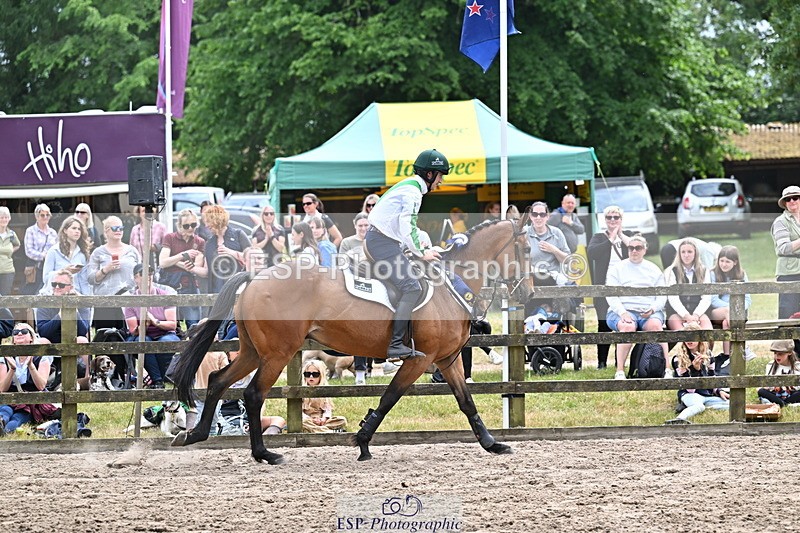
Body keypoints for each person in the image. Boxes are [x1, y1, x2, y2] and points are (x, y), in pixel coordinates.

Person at [366, 148, 447, 359]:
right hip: (383, 243)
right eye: (440, 176)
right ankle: (395, 344)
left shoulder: (409, 187)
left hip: (384, 240)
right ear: (429, 175)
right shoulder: (412, 193)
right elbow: (407, 225)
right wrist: (422, 253)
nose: (441, 182)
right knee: (412, 286)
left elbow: (407, 227)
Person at [605, 234, 668, 380]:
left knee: (656, 326)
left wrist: (653, 308)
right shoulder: (617, 268)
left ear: (645, 250)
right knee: (627, 327)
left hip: (649, 311)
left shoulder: (653, 269)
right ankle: (620, 370)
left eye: (638, 248)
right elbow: (611, 294)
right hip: (623, 311)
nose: (634, 251)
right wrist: (622, 313)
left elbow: (662, 294)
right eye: (631, 248)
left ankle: (667, 368)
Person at [587, 205, 633, 369]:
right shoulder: (599, 237)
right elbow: (592, 253)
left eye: (616, 217)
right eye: (609, 218)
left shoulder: (627, 239)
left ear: (621, 220)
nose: (612, 220)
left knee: (623, 323)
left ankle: (618, 362)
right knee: (603, 324)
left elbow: (637, 250)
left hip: (622, 290)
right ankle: (601, 362)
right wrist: (611, 237)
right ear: (605, 220)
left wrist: (620, 235)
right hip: (603, 288)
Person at [123, 263, 181, 389]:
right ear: (135, 278)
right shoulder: (131, 301)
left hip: (165, 333)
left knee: (166, 342)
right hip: (143, 334)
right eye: (142, 274)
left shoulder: (165, 295)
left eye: (150, 273)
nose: (147, 276)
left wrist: (156, 322)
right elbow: (133, 331)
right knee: (144, 342)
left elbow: (172, 324)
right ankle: (158, 379)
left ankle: (159, 377)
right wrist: (144, 324)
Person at [215, 340, 286, 436]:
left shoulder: (253, 375)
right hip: (226, 415)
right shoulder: (223, 376)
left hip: (248, 415)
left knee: (278, 420)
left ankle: (266, 439)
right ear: (228, 355)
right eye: (235, 349)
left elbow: (260, 401)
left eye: (242, 349)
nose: (238, 352)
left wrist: (255, 421)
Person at [664, 324, 729, 425]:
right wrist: (695, 369)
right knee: (699, 406)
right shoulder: (679, 359)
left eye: (693, 337)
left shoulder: (708, 355)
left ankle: (705, 407)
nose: (689, 341)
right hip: (689, 394)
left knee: (731, 403)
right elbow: (689, 389)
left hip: (706, 393)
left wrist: (718, 391)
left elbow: (712, 377)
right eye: (686, 338)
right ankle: (679, 419)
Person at [0, 323, 58, 435]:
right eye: (16, 332)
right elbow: (2, 388)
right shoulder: (6, 356)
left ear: (31, 337)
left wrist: (31, 366)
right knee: (5, 411)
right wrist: (12, 369)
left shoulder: (41, 356)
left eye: (24, 331)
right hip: (9, 398)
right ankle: (1, 423)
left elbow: (41, 385)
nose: (20, 333)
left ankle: (6, 431)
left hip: (30, 401)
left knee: (18, 417)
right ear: (13, 339)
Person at [34, 269, 91, 379]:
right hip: (52, 339)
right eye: (54, 284)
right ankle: (40, 380)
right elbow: (43, 332)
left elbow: (83, 331)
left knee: (82, 340)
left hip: (73, 339)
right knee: (42, 341)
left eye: (61, 285)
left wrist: (73, 310)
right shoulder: (45, 302)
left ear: (70, 287)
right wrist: (60, 315)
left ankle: (88, 378)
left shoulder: (82, 302)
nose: (57, 287)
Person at [86, 215, 140, 330]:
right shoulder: (98, 252)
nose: (119, 231)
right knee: (105, 338)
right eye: (115, 228)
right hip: (105, 302)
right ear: (106, 231)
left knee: (129, 337)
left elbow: (141, 273)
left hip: (129, 300)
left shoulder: (132, 251)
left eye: (121, 228)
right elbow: (90, 279)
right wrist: (105, 269)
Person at [159, 209, 208, 329]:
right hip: (170, 285)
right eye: (186, 226)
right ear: (179, 226)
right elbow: (163, 263)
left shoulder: (199, 241)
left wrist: (174, 261)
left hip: (189, 286)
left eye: (193, 225)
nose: (191, 228)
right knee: (170, 326)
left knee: (194, 325)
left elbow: (194, 267)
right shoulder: (169, 238)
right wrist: (183, 255)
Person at [709, 245, 751, 356]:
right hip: (715, 312)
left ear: (735, 262)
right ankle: (745, 348)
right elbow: (713, 300)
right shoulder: (713, 274)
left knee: (726, 323)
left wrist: (737, 309)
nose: (723, 264)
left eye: (727, 261)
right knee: (728, 312)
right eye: (721, 261)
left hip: (735, 313)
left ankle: (728, 356)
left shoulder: (741, 274)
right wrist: (731, 307)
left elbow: (747, 299)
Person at [663, 239, 713, 333]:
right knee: (684, 334)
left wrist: (696, 315)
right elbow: (673, 298)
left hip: (699, 312)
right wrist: (685, 315)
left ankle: (704, 348)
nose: (686, 255)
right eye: (683, 252)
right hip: (676, 313)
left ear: (695, 253)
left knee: (708, 334)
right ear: (679, 254)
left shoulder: (704, 270)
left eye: (689, 252)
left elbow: (707, 297)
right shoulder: (671, 271)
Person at [202, 205, 251, 293]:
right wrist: (192, 268)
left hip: (238, 288)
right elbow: (207, 271)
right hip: (217, 291)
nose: (206, 225)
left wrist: (231, 252)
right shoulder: (209, 243)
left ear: (217, 220)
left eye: (208, 221)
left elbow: (252, 259)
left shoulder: (238, 235)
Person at [42, 215, 93, 297]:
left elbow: (84, 282)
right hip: (55, 295)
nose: (77, 231)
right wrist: (64, 271)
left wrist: (87, 300)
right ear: (65, 230)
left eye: (79, 229)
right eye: (74, 228)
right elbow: (46, 278)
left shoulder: (82, 254)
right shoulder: (53, 251)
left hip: (76, 295)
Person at [771, 185, 800, 318]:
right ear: (784, 203)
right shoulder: (780, 222)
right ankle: (788, 339)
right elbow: (783, 248)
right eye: (788, 199)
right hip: (789, 272)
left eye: (796, 197)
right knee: (789, 314)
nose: (792, 201)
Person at [527, 202, 570, 283]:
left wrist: (554, 250)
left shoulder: (557, 233)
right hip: (531, 280)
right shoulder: (524, 234)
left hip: (553, 280)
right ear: (530, 216)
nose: (538, 217)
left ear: (547, 216)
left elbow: (567, 260)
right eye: (535, 214)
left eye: (542, 214)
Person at [301, 359, 347, 433]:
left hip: (321, 420)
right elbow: (299, 411)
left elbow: (327, 409)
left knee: (342, 420)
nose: (311, 377)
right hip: (308, 419)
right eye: (307, 374)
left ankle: (317, 429)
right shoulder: (301, 390)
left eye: (315, 374)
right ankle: (329, 432)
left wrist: (324, 419)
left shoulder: (324, 390)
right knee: (302, 422)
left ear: (321, 375)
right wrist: (310, 419)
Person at [23, 203, 58, 294]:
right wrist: (44, 256)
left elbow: (57, 249)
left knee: (47, 290)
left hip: (49, 267)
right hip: (35, 267)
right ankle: (30, 309)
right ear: (37, 216)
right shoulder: (30, 231)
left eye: (47, 215)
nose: (45, 217)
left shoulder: (53, 233)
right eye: (42, 215)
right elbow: (29, 251)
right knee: (32, 292)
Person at [757, 339, 800, 406]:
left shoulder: (797, 366)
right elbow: (767, 384)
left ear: (789, 353)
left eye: (780, 354)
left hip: (792, 394)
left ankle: (783, 403)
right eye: (775, 353)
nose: (777, 356)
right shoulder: (770, 365)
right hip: (776, 394)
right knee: (761, 391)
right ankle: (785, 404)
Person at [0, 206, 20, 296]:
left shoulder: (11, 234)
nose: (4, 220)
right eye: (1, 217)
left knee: (4, 298)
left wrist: (11, 250)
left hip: (8, 271)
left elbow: (18, 245)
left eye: (6, 217)